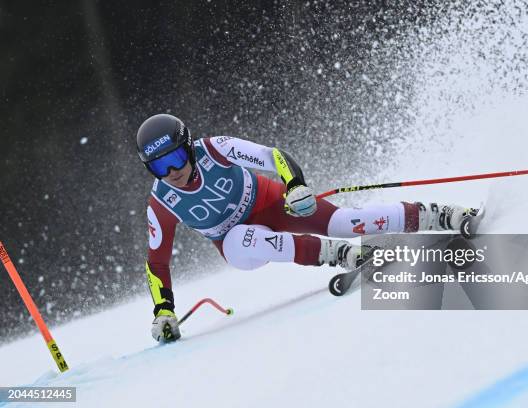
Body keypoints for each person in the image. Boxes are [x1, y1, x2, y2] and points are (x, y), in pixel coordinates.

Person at [137, 114, 476, 342]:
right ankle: (341, 255)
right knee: (241, 239)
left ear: (189, 146)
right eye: (159, 166)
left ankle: (439, 214)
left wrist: (295, 184)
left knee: (344, 222)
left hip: (273, 203)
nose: (172, 172)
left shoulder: (215, 149)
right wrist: (163, 310)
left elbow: (272, 156)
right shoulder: (162, 201)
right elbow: (157, 263)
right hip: (238, 244)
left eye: (176, 158)